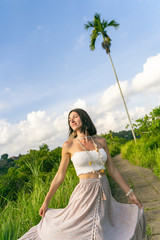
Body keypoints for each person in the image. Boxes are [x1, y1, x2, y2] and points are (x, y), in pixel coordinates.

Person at [19, 108, 146, 240]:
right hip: (84, 194)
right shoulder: (68, 145)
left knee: (103, 230)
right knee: (81, 230)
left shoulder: (101, 142)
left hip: (104, 192)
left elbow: (112, 169)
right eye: (69, 119)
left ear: (84, 119)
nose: (71, 120)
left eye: (75, 117)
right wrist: (46, 201)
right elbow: (59, 175)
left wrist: (130, 193)